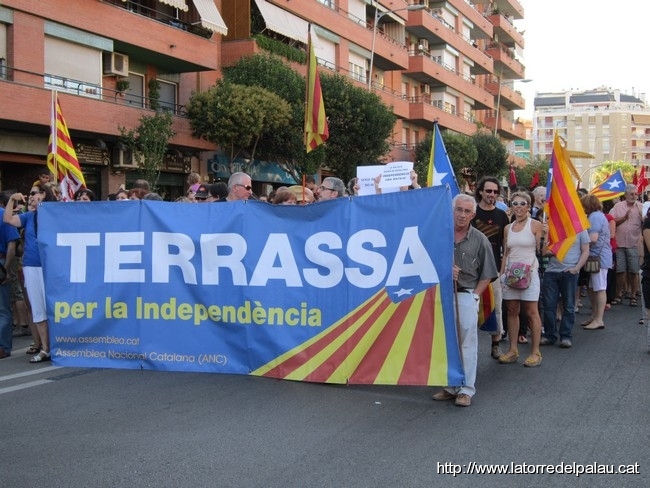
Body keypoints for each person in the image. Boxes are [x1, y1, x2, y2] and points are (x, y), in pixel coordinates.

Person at [432, 194, 497, 407]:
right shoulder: (439, 234)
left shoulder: (480, 239)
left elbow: (488, 274)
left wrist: (475, 296)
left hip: (466, 295)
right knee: (446, 344)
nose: (462, 215)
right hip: (441, 295)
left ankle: (466, 389)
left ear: (473, 215)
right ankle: (451, 386)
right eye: (458, 210)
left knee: (467, 344)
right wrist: (444, 270)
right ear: (452, 211)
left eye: (467, 211)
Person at [3, 184, 58, 362]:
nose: (30, 196)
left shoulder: (54, 214)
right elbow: (8, 219)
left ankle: (56, 345)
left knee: (54, 307)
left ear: (44, 194)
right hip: (31, 266)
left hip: (51, 266)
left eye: (34, 193)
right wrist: (12, 200)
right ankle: (45, 349)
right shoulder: (29, 216)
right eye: (30, 194)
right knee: (38, 308)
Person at [498, 191, 544, 367]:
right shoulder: (507, 228)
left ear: (529, 206)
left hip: (529, 273)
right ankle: (512, 350)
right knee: (511, 310)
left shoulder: (536, 224)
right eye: (515, 203)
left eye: (522, 203)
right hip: (511, 274)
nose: (518, 207)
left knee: (531, 312)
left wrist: (546, 236)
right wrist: (502, 274)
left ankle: (535, 352)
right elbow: (506, 253)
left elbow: (542, 250)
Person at [472, 176, 509, 359]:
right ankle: (468, 347)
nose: (492, 194)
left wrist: (502, 269)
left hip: (493, 270)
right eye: (488, 191)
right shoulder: (472, 213)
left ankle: (495, 344)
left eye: (495, 191)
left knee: (496, 308)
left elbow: (506, 246)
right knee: (470, 308)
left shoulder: (502, 216)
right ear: (480, 191)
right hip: (471, 270)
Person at [540, 229, 590, 348]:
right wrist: (546, 236)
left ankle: (566, 336)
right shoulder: (554, 228)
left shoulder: (580, 230)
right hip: (551, 271)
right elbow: (544, 253)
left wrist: (576, 269)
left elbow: (585, 251)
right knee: (549, 305)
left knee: (568, 305)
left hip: (569, 272)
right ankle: (549, 335)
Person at [581, 194, 612, 330]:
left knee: (599, 288)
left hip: (599, 257)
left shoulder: (594, 217)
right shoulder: (598, 216)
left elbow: (593, 238)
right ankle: (595, 316)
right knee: (593, 287)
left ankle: (599, 319)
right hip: (598, 256)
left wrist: (580, 242)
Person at [609, 185, 643, 306]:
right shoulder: (618, 207)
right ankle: (619, 294)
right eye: (632, 194)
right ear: (626, 195)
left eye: (636, 194)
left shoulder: (640, 207)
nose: (634, 196)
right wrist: (624, 218)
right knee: (620, 271)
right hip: (620, 244)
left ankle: (633, 296)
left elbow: (646, 223)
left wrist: (642, 215)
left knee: (634, 271)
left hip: (634, 244)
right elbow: (611, 221)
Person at [0, 192, 20, 359]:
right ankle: (3, 347)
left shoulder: (3, 216)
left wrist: (5, 269)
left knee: (3, 309)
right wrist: (5, 269)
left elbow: (12, 246)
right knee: (3, 309)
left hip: (1, 261)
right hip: (1, 262)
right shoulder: (3, 215)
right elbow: (12, 245)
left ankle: (3, 347)